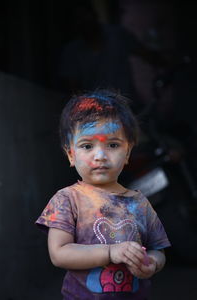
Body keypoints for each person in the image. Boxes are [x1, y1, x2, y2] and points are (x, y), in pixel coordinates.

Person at [36, 89, 171, 300]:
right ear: (71, 154)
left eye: (113, 145)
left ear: (127, 152)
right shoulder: (67, 200)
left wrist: (151, 264)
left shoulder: (140, 203)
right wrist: (110, 252)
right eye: (87, 145)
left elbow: (158, 249)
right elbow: (59, 253)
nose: (100, 156)